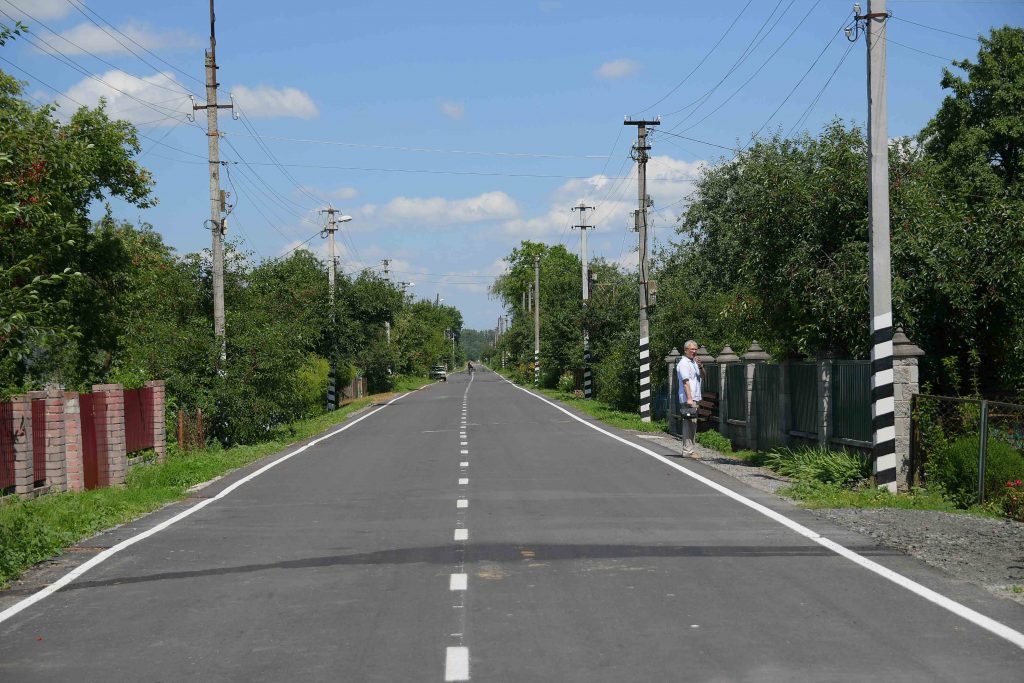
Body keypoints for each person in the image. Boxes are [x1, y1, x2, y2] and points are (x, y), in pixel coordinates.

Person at [676, 340, 702, 458]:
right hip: (688, 398)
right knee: (688, 423)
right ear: (686, 350)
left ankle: (690, 450)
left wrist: (701, 366)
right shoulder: (683, 363)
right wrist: (690, 398)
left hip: (694, 397)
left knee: (693, 423)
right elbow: (685, 382)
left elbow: (702, 376)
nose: (694, 351)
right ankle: (687, 451)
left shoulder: (693, 362)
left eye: (695, 349)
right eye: (692, 349)